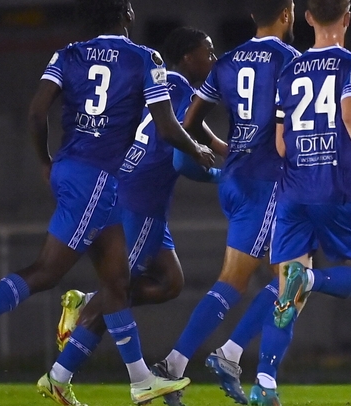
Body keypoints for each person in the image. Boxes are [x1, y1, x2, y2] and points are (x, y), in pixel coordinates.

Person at [0, 0, 214, 406]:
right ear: (128, 14)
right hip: (96, 177)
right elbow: (167, 127)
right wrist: (199, 149)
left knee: (116, 283)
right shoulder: (145, 56)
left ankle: (125, 380)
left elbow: (37, 113)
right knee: (48, 271)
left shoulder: (67, 54)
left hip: (76, 171)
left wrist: (44, 161)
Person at [247, 0, 351, 406]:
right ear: (348, 18)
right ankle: (314, 279)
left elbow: (281, 144)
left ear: (309, 18)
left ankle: (264, 383)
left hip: (292, 192)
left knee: (287, 293)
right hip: (335, 189)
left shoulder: (289, 69)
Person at [51, 26, 224, 406]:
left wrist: (219, 146)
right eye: (206, 52)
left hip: (142, 198)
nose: (211, 59)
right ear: (185, 57)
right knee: (118, 292)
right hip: (141, 199)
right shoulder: (178, 86)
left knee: (171, 281)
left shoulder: (169, 87)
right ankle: (59, 376)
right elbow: (184, 146)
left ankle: (89, 302)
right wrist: (217, 172)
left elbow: (191, 124)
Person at [151, 0, 300, 405]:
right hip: (267, 181)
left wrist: (223, 150)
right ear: (287, 15)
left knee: (282, 279)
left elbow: (191, 120)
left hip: (235, 180)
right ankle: (221, 358)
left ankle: (180, 365)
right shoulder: (291, 61)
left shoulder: (228, 61)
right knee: (278, 280)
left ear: (254, 17)